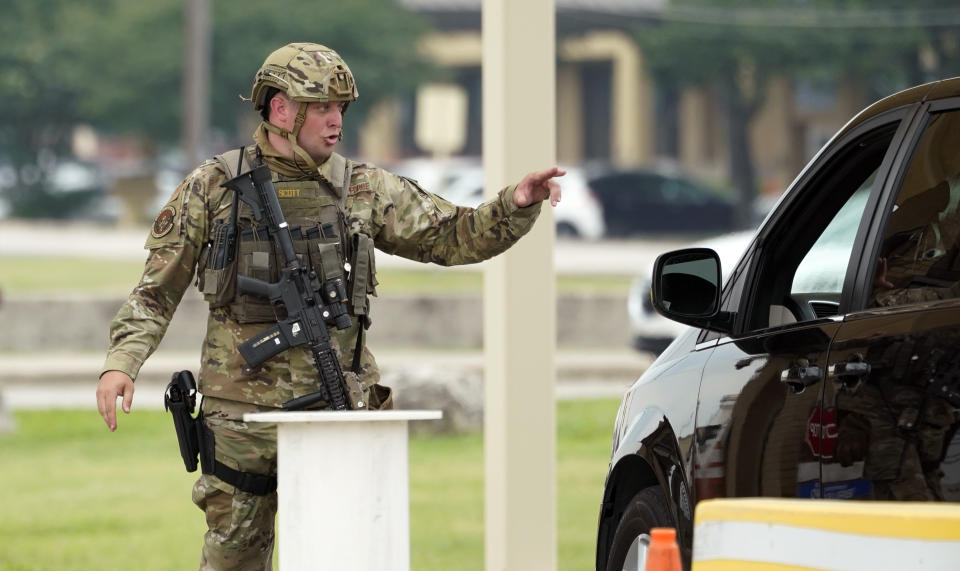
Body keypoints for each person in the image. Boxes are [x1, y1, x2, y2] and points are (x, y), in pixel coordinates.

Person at [95, 42, 564, 569]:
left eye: (341, 107)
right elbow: (157, 288)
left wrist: (515, 204)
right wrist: (122, 363)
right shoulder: (215, 186)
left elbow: (451, 236)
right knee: (234, 562)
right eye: (322, 107)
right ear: (280, 109)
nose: (336, 120)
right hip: (242, 423)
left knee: (347, 555)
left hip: (337, 408)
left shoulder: (363, 187)